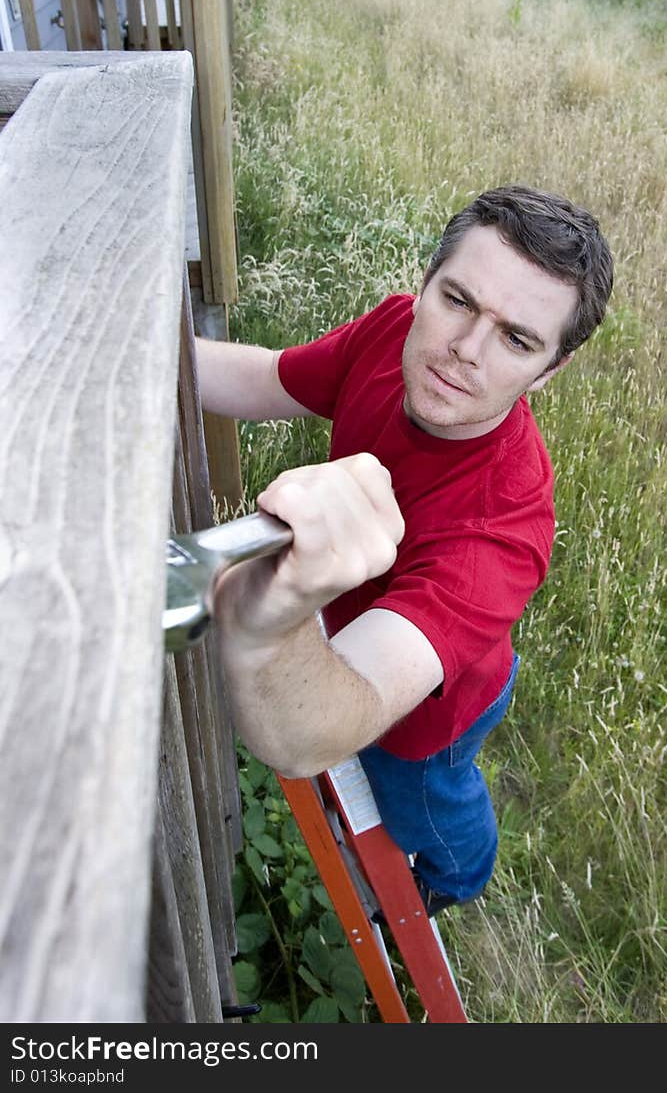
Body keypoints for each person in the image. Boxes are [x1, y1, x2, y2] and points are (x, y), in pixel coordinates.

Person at [198, 184, 613, 916]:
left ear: (549, 371)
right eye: (458, 300)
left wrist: (270, 622)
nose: (464, 351)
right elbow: (268, 377)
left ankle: (455, 879)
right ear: (424, 285)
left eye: (517, 339)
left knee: (424, 806)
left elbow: (309, 735)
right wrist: (151, 351)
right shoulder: (394, 330)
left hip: (428, 713)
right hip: (355, 645)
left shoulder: (505, 524)